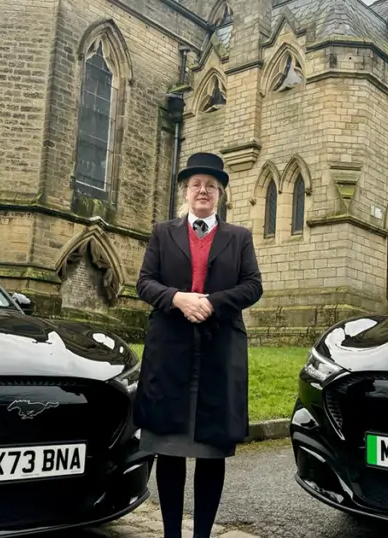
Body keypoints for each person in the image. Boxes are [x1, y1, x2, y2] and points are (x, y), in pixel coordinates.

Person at [133, 152, 263, 538]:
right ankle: (172, 533)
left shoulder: (239, 238)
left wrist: (211, 303)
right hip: (169, 354)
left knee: (210, 451)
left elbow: (253, 285)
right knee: (169, 450)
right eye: (195, 185)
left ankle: (202, 535)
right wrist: (177, 298)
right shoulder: (162, 233)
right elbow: (145, 282)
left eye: (210, 185)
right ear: (186, 192)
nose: (202, 191)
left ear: (219, 194)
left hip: (219, 354)